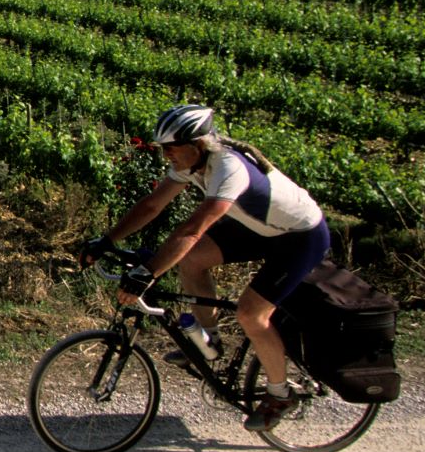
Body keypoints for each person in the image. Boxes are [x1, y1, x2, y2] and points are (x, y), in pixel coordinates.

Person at [81, 104, 332, 431]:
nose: (165, 154)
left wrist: (149, 273)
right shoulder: (192, 162)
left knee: (251, 314)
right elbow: (153, 204)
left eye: (170, 148)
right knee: (193, 259)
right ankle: (209, 344)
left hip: (300, 236)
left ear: (196, 144)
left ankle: (280, 394)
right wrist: (108, 239)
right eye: (162, 148)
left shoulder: (228, 168)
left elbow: (191, 229)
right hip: (260, 227)